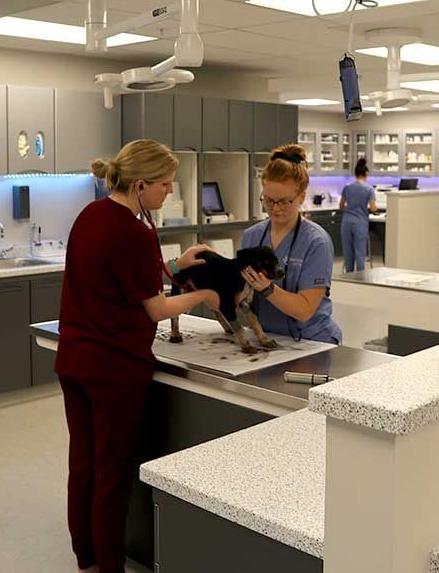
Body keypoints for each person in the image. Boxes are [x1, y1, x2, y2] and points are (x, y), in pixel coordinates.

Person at [56, 139, 220, 573]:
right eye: (165, 184)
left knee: (83, 465)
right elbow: (157, 308)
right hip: (112, 369)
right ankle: (110, 565)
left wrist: (176, 265)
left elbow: (126, 276)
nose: (170, 191)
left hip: (75, 361)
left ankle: (86, 556)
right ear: (141, 184)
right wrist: (204, 294)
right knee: (112, 473)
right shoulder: (132, 231)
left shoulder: (91, 215)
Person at [239, 144, 343, 344]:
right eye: (269, 200)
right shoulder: (251, 237)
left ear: (301, 197)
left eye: (285, 201)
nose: (275, 208)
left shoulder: (316, 242)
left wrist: (267, 288)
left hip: (311, 341)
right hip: (267, 338)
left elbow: (304, 310)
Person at [339, 158, 378, 273]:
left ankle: (349, 278)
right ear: (366, 173)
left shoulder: (347, 187)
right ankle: (360, 279)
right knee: (360, 253)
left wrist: (351, 208)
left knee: (348, 254)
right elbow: (373, 208)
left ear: (355, 173)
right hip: (360, 223)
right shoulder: (369, 189)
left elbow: (341, 206)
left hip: (346, 223)